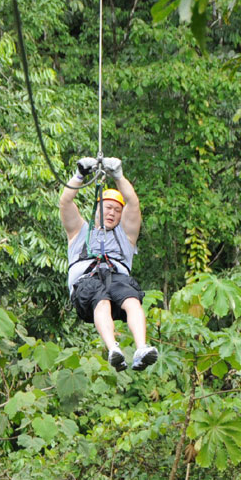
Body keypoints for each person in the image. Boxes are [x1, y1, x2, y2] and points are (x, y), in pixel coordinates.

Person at [59, 156, 158, 371]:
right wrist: (79, 175)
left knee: (132, 300)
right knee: (100, 300)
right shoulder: (80, 232)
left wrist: (118, 176)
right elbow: (65, 202)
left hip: (116, 278)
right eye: (107, 208)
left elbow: (133, 202)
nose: (111, 213)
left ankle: (141, 347)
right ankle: (113, 348)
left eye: (116, 210)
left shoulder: (126, 236)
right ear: (97, 208)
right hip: (88, 281)